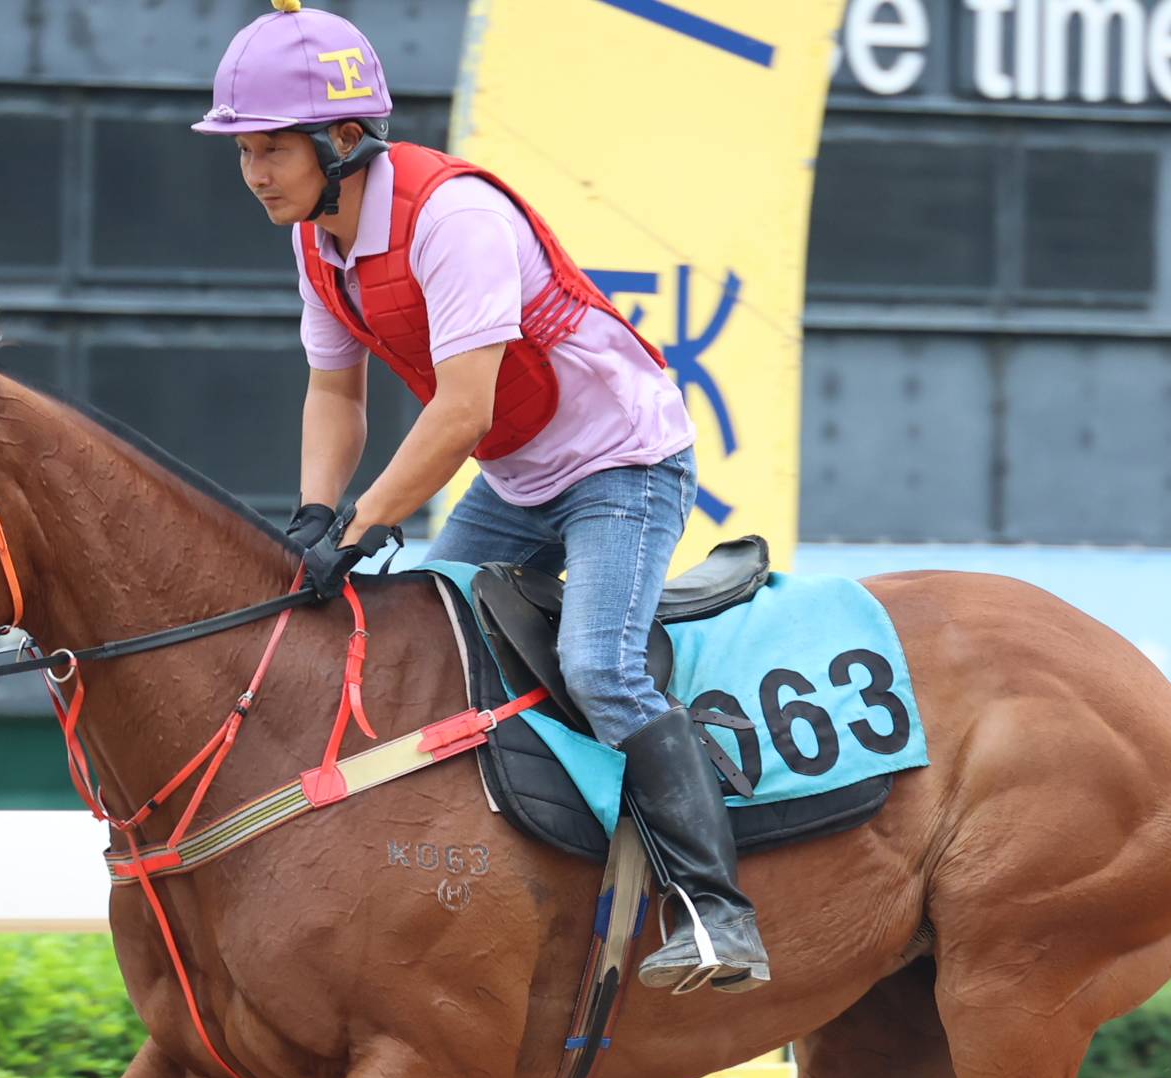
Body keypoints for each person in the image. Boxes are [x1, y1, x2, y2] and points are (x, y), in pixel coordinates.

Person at [192, 0, 769, 994]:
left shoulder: (452, 216)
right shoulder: (316, 238)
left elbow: (462, 411)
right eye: (241, 149)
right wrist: (313, 518)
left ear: (341, 138)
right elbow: (336, 392)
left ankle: (720, 914)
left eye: (270, 148)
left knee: (598, 664)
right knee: (414, 652)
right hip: (520, 477)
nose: (251, 172)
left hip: (622, 466)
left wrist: (366, 525)